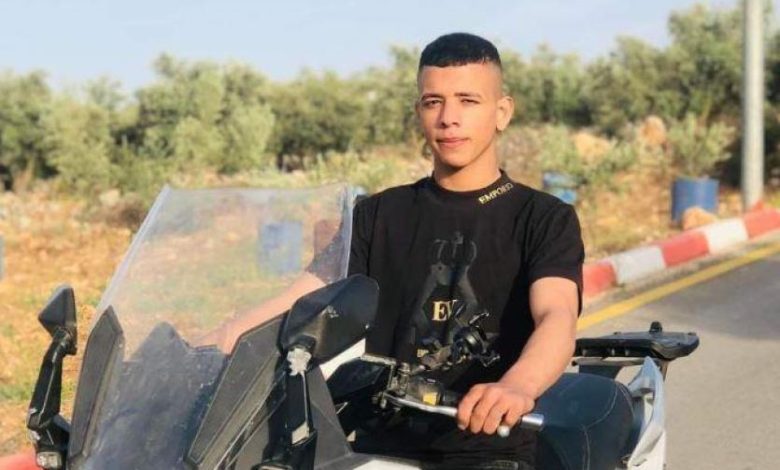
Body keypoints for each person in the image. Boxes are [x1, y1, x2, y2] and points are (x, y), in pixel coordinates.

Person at [207, 32, 583, 469]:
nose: (449, 118)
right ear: (418, 111)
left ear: (502, 112)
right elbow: (301, 298)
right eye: (433, 102)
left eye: (468, 101)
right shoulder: (377, 214)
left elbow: (556, 315)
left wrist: (517, 386)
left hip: (487, 448)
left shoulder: (543, 217)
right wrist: (219, 340)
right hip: (376, 447)